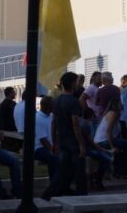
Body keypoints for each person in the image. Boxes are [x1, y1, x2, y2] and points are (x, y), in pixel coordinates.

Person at [42, 71, 87, 200]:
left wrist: (54, 142)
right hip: (73, 141)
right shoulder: (73, 102)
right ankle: (82, 197)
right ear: (73, 84)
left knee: (63, 170)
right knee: (79, 171)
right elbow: (76, 125)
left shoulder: (56, 101)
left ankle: (50, 194)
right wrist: (81, 144)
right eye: (77, 82)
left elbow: (53, 122)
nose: (78, 84)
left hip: (62, 140)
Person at [94, 96, 127, 179]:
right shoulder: (113, 114)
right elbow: (108, 131)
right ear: (116, 105)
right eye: (120, 103)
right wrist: (112, 147)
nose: (122, 105)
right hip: (103, 141)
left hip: (102, 140)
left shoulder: (113, 114)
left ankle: (119, 170)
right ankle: (121, 170)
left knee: (122, 147)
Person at [79, 107, 113, 191]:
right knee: (108, 159)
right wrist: (101, 149)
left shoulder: (81, 123)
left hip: (87, 148)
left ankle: (95, 178)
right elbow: (91, 141)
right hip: (88, 149)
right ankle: (98, 178)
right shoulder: (86, 125)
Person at [34, 96, 60, 180]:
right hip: (39, 149)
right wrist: (54, 150)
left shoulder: (51, 116)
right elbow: (43, 140)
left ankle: (63, 185)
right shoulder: (38, 118)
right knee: (54, 158)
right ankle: (54, 186)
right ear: (49, 107)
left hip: (50, 146)